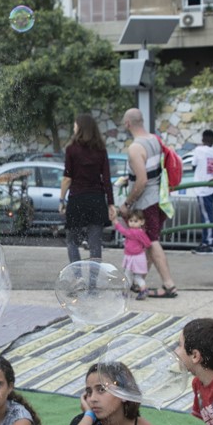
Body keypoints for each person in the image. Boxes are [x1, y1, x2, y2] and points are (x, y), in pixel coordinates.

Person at [119, 109, 177, 298]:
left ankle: (169, 285)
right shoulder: (155, 139)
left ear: (128, 124)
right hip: (160, 197)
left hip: (147, 201)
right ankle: (139, 281)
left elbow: (142, 180)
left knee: (152, 241)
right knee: (150, 241)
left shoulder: (135, 148)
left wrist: (127, 203)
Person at [59, 113, 116, 263]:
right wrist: (111, 203)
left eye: (75, 125)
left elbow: (67, 178)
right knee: (95, 244)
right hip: (97, 200)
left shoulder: (72, 149)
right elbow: (107, 179)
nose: (73, 127)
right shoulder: (101, 150)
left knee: (72, 241)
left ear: (81, 128)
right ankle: (92, 284)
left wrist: (61, 199)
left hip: (77, 199)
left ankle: (78, 278)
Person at [110, 208, 152, 300]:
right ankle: (141, 290)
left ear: (142, 222)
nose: (132, 223)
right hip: (137, 256)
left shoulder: (133, 232)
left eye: (135, 221)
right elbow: (148, 243)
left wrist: (116, 222)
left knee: (129, 275)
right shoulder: (141, 232)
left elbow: (123, 231)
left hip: (133, 257)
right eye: (131, 221)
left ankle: (128, 292)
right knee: (136, 276)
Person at [191, 129, 213, 254]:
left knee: (206, 217)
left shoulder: (198, 150)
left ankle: (208, 242)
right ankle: (208, 240)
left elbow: (193, 165)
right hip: (211, 187)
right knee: (209, 215)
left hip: (202, 188)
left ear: (202, 139)